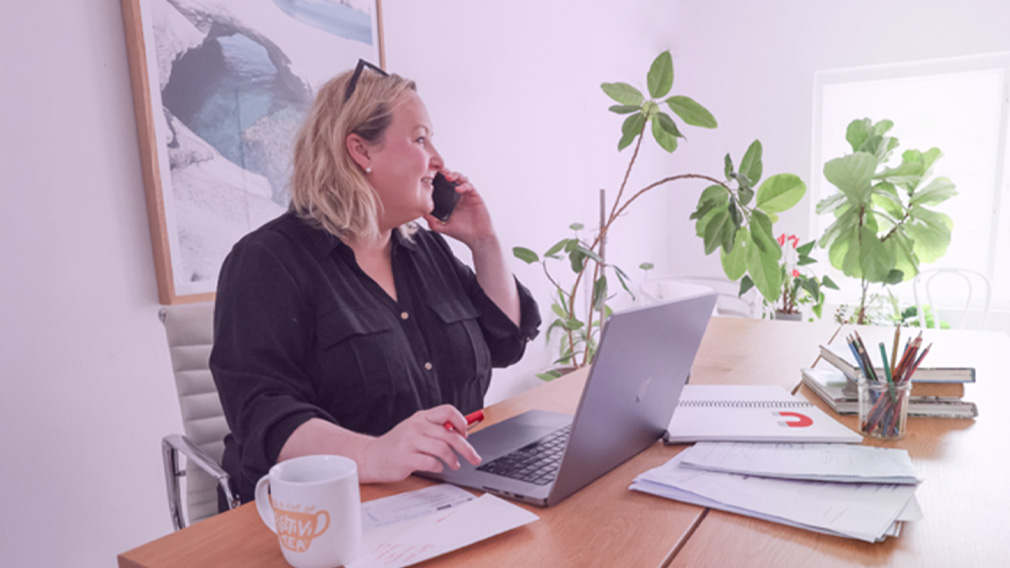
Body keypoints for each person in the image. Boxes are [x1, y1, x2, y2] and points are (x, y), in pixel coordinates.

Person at [210, 62, 541, 505]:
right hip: (325, 511)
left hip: (447, 493)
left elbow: (505, 343)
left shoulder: (425, 249)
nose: (438, 160)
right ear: (361, 151)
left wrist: (484, 242)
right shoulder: (266, 261)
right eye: (420, 139)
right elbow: (263, 414)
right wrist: (375, 454)